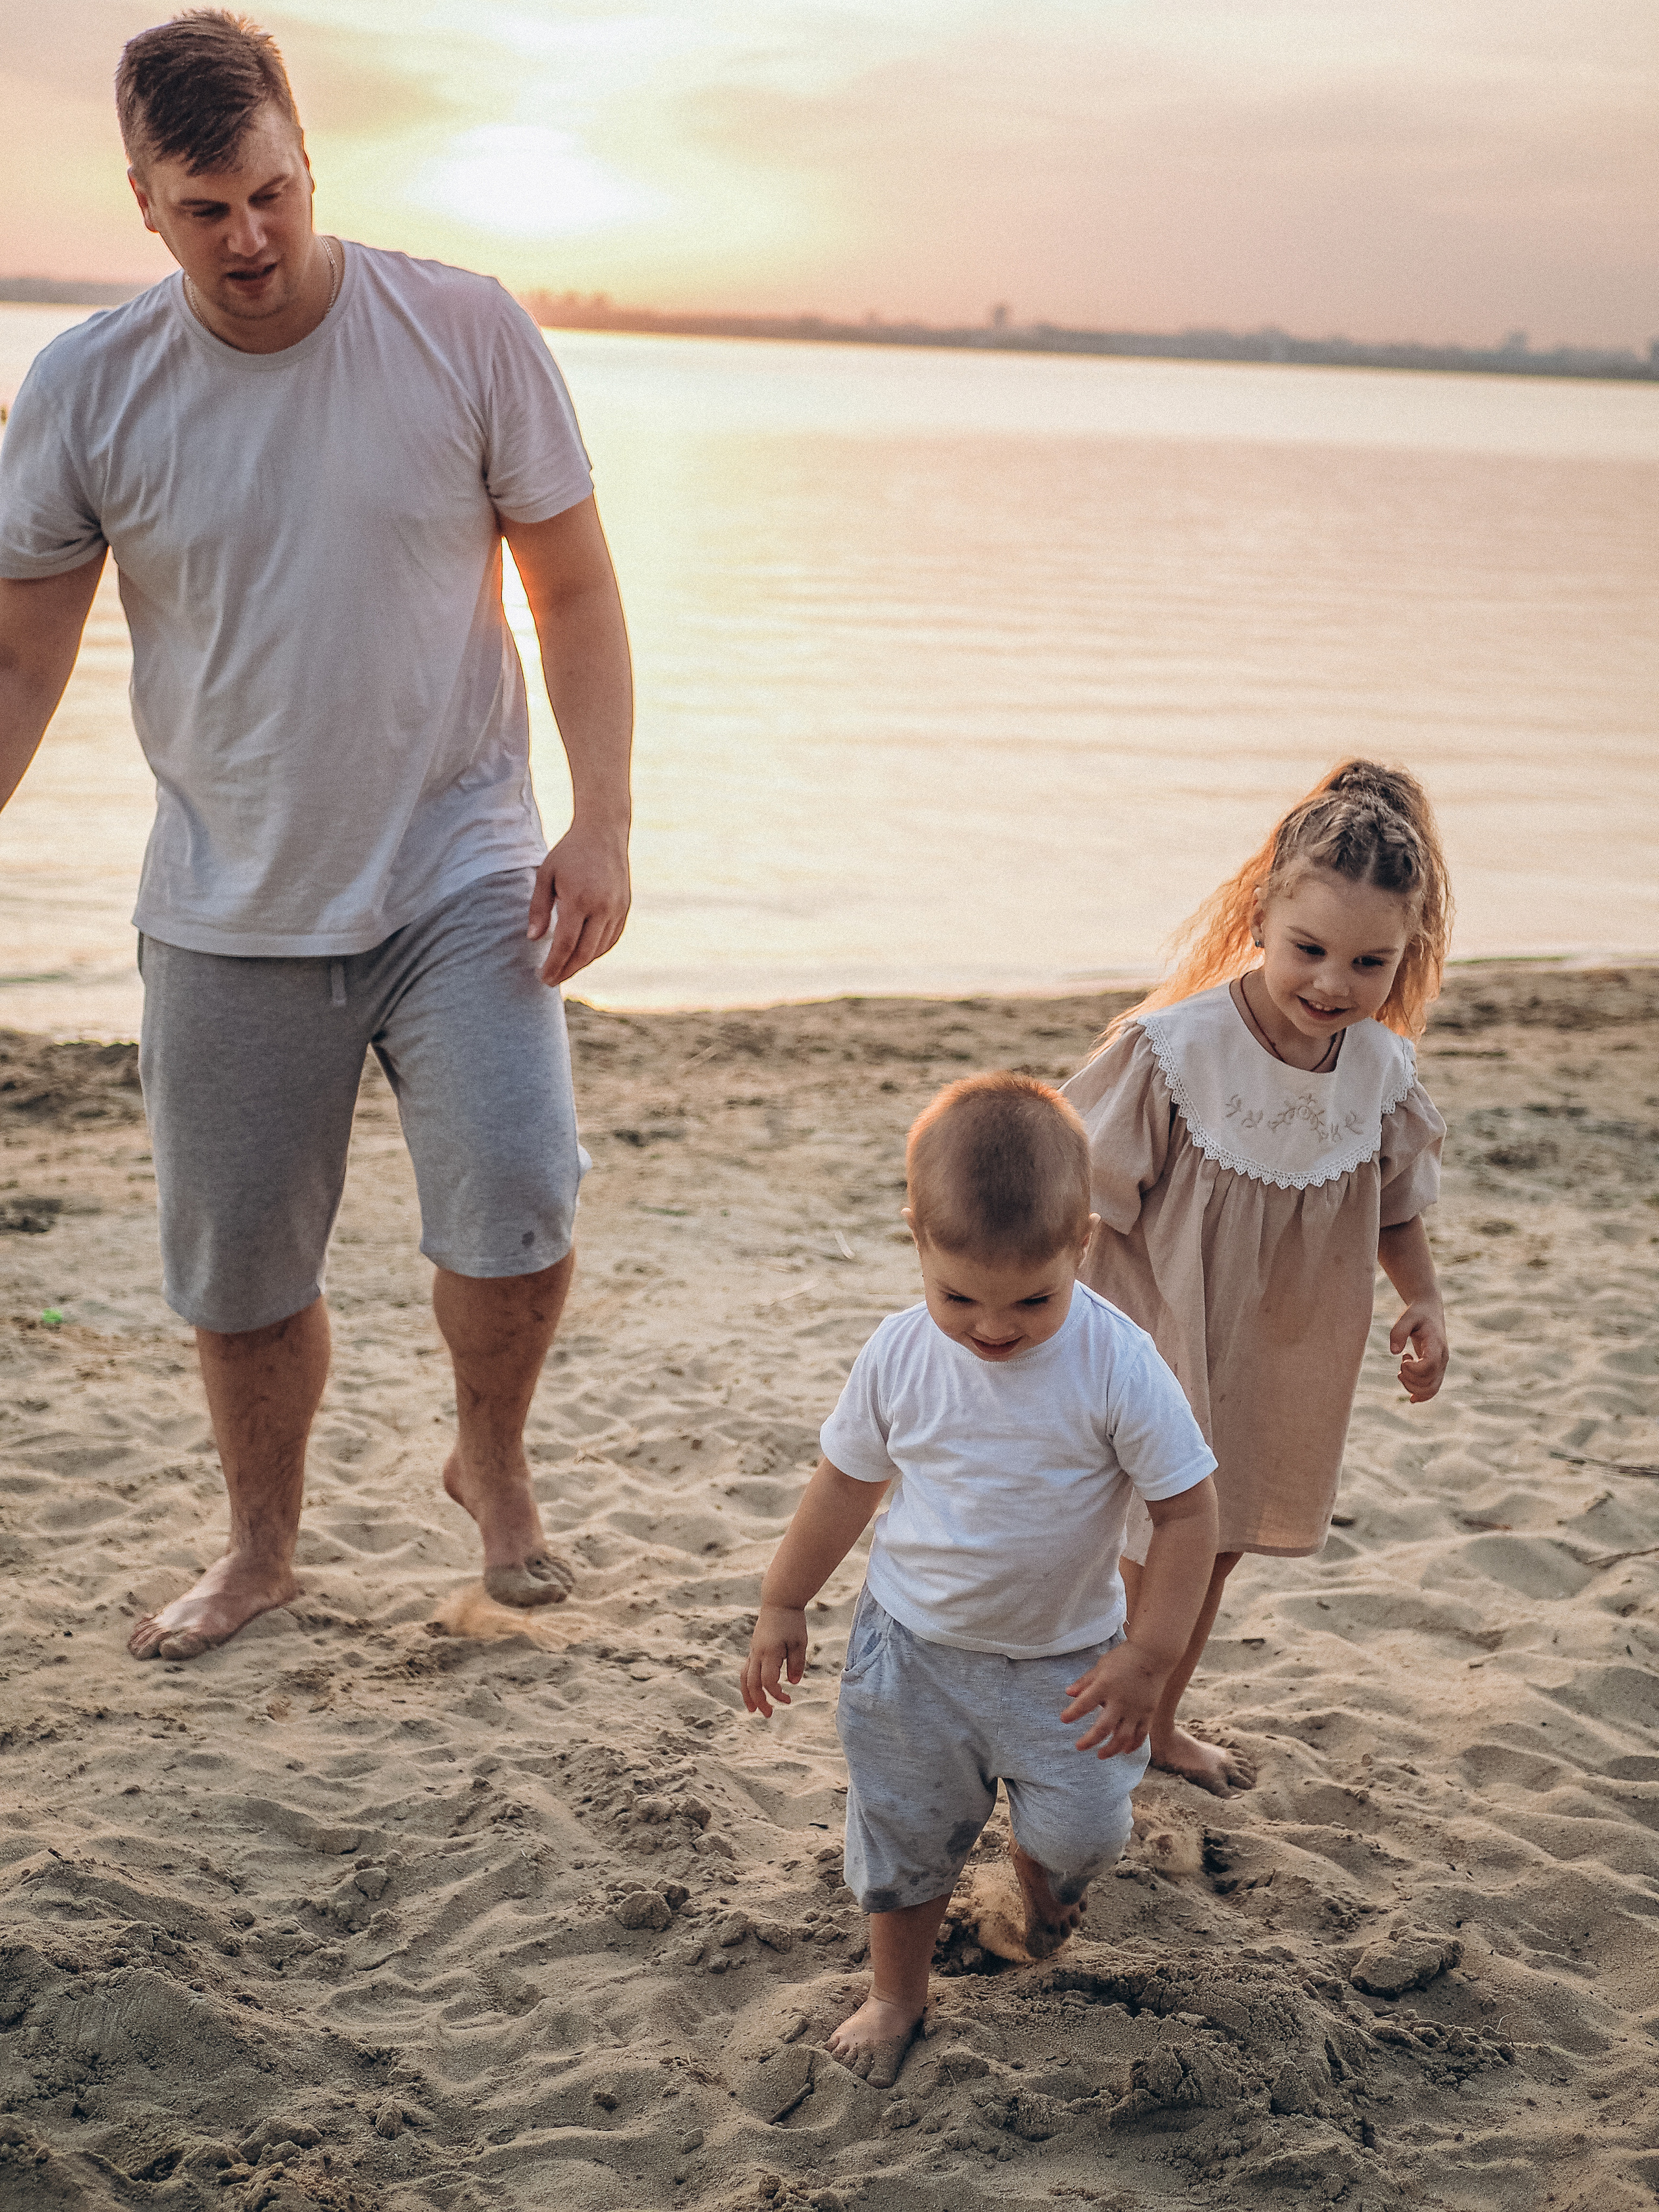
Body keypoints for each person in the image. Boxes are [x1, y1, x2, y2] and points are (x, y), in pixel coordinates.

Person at [0, 13, 633, 1660]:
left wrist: (602, 821)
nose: (252, 237)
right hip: (225, 896)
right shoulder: (86, 389)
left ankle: (488, 1462)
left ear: (306, 154)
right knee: (239, 1279)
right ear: (142, 200)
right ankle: (262, 1552)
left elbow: (569, 586)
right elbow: (20, 655)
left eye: (272, 191)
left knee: (516, 1200)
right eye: (206, 209)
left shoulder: (465, 330)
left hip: (458, 863)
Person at [741, 1073, 1220, 2085]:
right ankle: (899, 1992)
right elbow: (844, 1484)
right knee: (905, 1837)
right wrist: (785, 1599)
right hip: (912, 1654)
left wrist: (1150, 1655)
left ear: (1081, 1243)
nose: (993, 1329)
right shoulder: (900, 1354)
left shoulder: (1117, 1362)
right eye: (960, 1296)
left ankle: (1042, 1871)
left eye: (1031, 1300)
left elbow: (1186, 1509)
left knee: (1088, 1830)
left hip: (1073, 1661)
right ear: (915, 1235)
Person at [1062, 758, 1452, 1798]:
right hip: (1160, 1325)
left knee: (1217, 1543)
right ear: (1263, 912)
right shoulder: (1176, 1050)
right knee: (1143, 1535)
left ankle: (1155, 1719)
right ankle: (1088, 1719)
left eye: (1369, 963)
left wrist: (1424, 1299)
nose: (1333, 984)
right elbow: (1080, 1193)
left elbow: (1398, 1203)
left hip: (1283, 1342)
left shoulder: (1379, 1069)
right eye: (1309, 949)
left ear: (1406, 951)